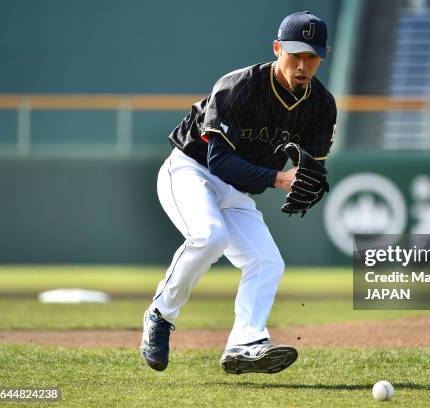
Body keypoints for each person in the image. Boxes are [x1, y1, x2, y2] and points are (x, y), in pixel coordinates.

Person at [140, 11, 336, 374]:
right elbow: (219, 162)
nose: (303, 65)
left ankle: (244, 342)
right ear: (277, 49)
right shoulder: (240, 86)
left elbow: (315, 166)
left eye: (312, 57)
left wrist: (313, 183)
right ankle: (160, 315)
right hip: (190, 169)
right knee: (209, 236)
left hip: (237, 189)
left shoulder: (321, 105)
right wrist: (279, 179)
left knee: (268, 262)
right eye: (296, 54)